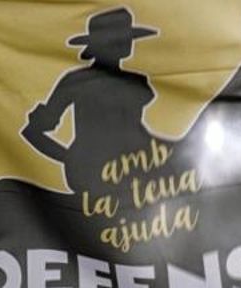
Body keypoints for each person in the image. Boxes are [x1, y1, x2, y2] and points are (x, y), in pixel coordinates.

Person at [21, 8, 164, 197]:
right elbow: (34, 130)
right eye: (119, 39)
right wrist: (69, 159)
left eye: (127, 38)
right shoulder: (75, 82)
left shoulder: (138, 82)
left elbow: (136, 130)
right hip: (90, 175)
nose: (127, 43)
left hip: (134, 171)